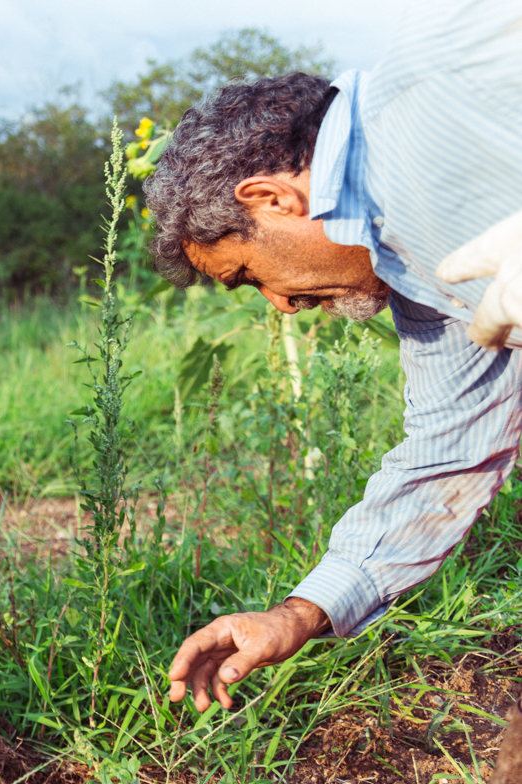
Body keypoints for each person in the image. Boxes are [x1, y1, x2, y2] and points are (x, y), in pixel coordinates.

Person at [141, 1, 522, 712]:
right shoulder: (420, 285)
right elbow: (447, 455)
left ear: (268, 198)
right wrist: (297, 613)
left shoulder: (442, 65)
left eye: (249, 276)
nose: (281, 305)